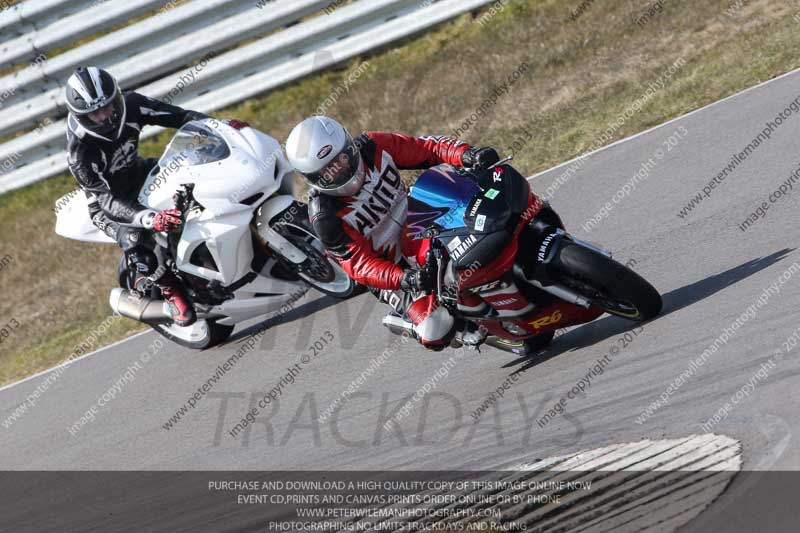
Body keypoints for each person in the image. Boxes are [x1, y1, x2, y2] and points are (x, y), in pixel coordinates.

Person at [285, 116, 544, 351]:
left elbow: (426, 149)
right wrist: (406, 278)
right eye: (327, 172)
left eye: (341, 159)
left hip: (422, 217)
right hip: (394, 267)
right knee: (435, 329)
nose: (339, 170)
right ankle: (466, 328)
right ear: (312, 179)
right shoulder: (325, 216)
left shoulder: (374, 145)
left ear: (349, 145)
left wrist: (467, 154)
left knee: (493, 208)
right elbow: (360, 266)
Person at [65, 66, 208, 326]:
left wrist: (217, 126)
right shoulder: (80, 152)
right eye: (94, 113)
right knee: (137, 241)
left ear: (116, 97)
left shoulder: (132, 105)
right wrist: (150, 218)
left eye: (107, 106)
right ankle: (171, 294)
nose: (104, 117)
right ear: (81, 116)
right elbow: (105, 201)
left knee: (197, 177)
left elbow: (182, 116)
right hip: (108, 204)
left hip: (140, 172)